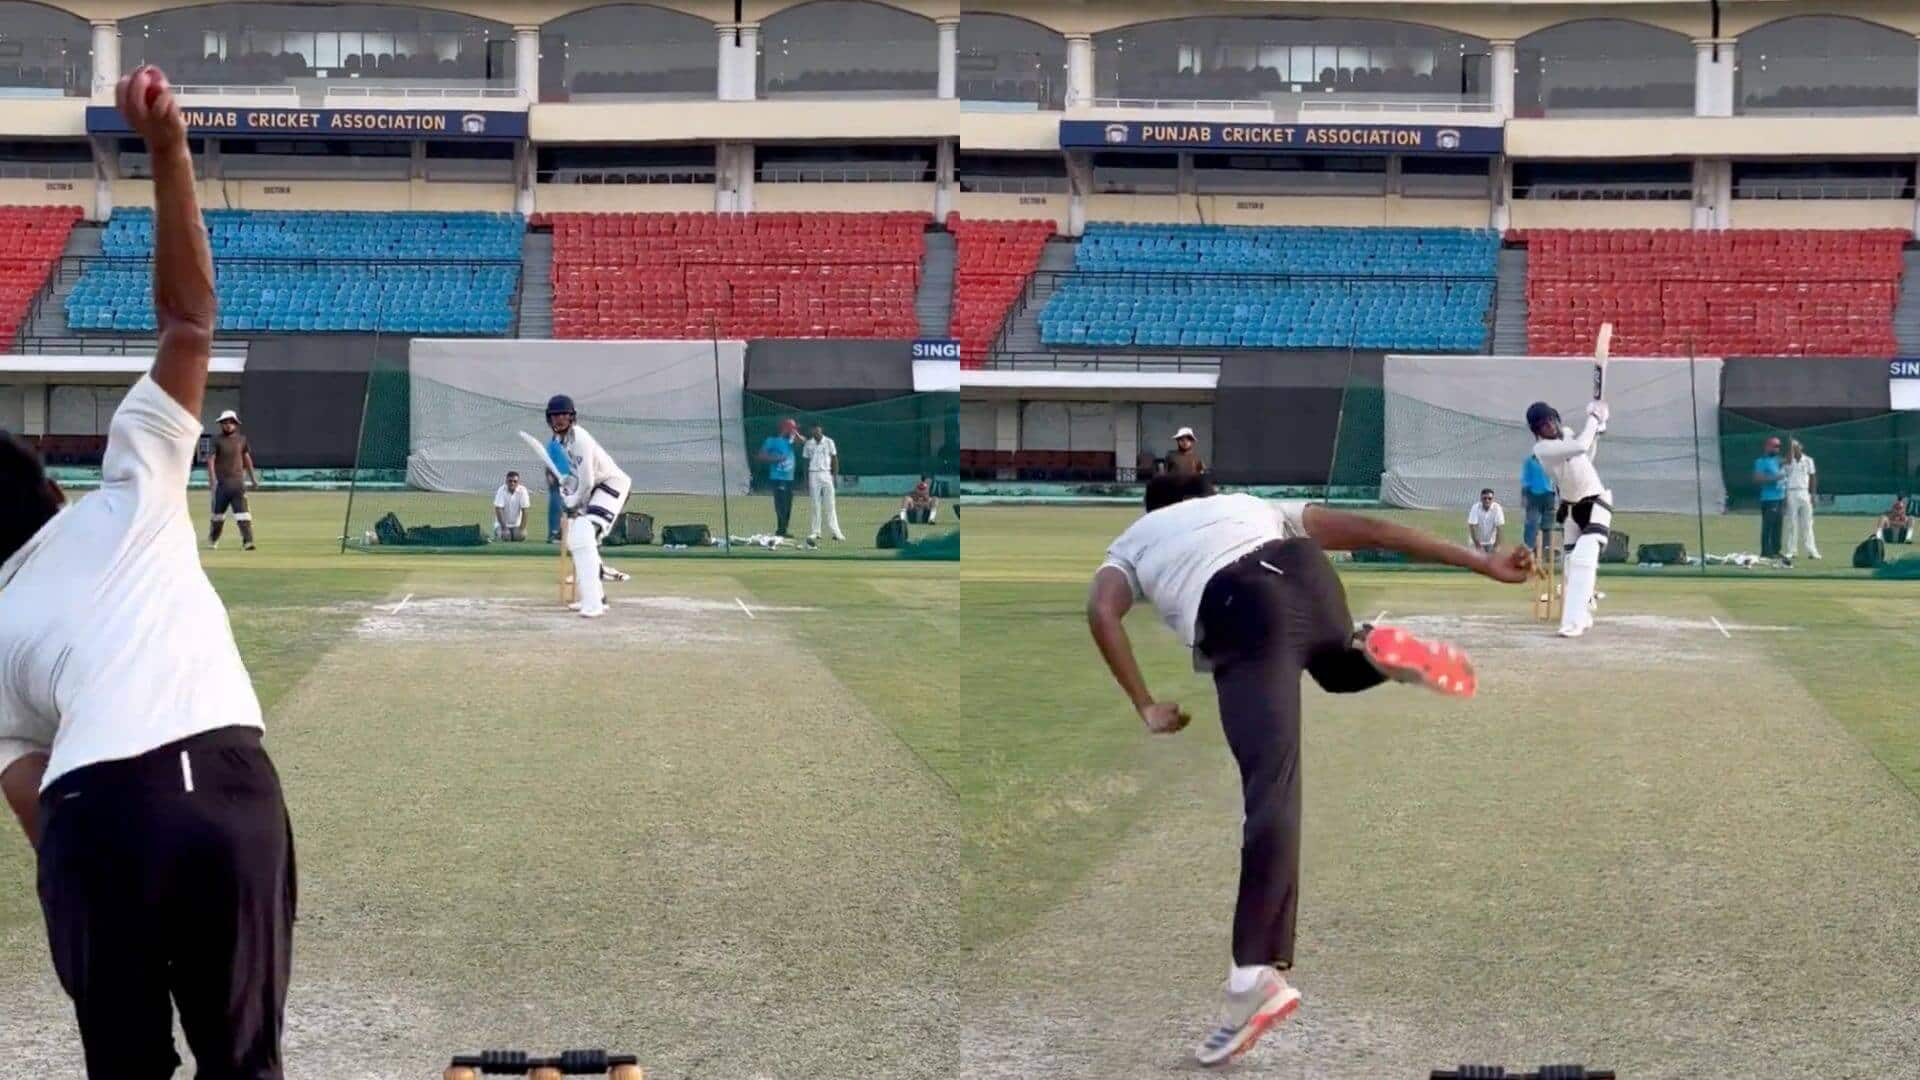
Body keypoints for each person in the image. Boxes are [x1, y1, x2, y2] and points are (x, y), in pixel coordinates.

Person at [0, 66, 296, 1078]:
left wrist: (101, 883)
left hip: (85, 824)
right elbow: (188, 322)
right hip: (211, 781)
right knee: (240, 1064)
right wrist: (166, 145)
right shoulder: (130, 487)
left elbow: (31, 795)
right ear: (44, 487)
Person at [1085, 473, 1529, 1068]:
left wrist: (1144, 704)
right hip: (1311, 579)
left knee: (1271, 791)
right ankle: (1370, 652)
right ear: (1208, 497)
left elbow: (1101, 611)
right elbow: (1373, 529)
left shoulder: (1132, 540)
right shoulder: (1248, 504)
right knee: (1332, 665)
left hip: (1241, 609)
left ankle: (1253, 978)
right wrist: (1487, 564)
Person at [1528, 397, 1612, 638]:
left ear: (1556, 418)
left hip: (1596, 499)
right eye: (1543, 425)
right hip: (1571, 507)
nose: (1550, 427)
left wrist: (1598, 431)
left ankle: (1572, 622)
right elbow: (1580, 448)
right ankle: (1584, 611)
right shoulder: (1542, 450)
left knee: (1585, 556)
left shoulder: (1567, 433)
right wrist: (1594, 419)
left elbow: (1585, 457)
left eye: (1551, 421)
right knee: (1571, 566)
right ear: (1537, 431)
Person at [546, 394, 632, 617]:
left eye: (563, 415)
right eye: (554, 415)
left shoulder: (579, 439)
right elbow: (573, 478)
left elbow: (587, 480)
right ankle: (596, 597)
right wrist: (568, 493)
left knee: (583, 534)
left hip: (611, 484)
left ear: (572, 416)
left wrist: (574, 499)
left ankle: (594, 604)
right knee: (577, 538)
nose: (559, 420)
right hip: (593, 489)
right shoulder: (558, 443)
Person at [204, 407, 259, 550]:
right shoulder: (216, 440)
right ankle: (213, 540)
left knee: (243, 515)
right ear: (221, 424)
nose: (227, 424)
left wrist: (253, 479)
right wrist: (212, 481)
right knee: (217, 517)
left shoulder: (242, 440)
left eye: (230, 422)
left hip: (238, 485)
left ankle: (248, 542)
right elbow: (211, 460)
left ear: (235, 423)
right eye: (224, 422)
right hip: (221, 485)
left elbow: (247, 459)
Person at [756, 417, 801, 538]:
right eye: (791, 429)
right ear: (785, 429)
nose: (793, 432)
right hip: (778, 477)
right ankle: (781, 529)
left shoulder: (791, 441)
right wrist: (776, 459)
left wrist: (794, 433)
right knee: (781, 503)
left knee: (788, 503)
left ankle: (784, 528)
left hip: (789, 478)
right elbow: (761, 456)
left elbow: (802, 441)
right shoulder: (772, 441)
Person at [803, 422, 845, 543]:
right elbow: (805, 462)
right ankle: (816, 532)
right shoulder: (808, 444)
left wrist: (835, 477)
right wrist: (806, 480)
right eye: (814, 431)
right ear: (811, 431)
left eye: (818, 430)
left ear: (821, 430)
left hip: (826, 473)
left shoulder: (829, 442)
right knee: (815, 504)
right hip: (813, 473)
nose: (816, 432)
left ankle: (836, 532)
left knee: (830, 504)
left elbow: (834, 459)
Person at [1780, 439, 1819, 564]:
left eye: (1796, 447)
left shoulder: (1808, 460)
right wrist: (1785, 496)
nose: (1794, 449)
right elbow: (1783, 477)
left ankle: (1812, 551)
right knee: (1792, 523)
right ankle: (1792, 550)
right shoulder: (1788, 462)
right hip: (1791, 492)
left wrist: (1813, 495)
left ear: (1801, 447)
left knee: (1807, 523)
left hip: (1804, 492)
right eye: (1792, 447)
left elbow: (1813, 477)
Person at [1754, 436, 1785, 558]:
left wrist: (1793, 446)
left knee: (1778, 525)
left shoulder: (1776, 461)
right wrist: (1774, 478)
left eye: (1779, 446)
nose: (1778, 448)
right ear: (1767, 446)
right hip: (1769, 499)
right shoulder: (1761, 461)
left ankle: (1776, 550)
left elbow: (1790, 460)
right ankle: (1766, 551)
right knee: (1768, 525)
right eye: (1775, 446)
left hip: (1780, 498)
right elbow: (1757, 478)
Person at [1520, 452, 1556, 552]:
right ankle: (1529, 547)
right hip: (1533, 495)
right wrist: (1524, 496)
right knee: (1532, 521)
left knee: (1547, 523)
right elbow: (1525, 479)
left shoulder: (1551, 460)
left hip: (1548, 494)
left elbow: (1557, 477)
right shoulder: (1529, 461)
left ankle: (1546, 547)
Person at [492, 469, 532, 542]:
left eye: (515, 481)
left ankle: (513, 535)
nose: (512, 483)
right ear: (506, 481)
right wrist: (504, 528)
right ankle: (500, 534)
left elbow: (525, 510)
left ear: (518, 482)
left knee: (521, 536)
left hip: (516, 525)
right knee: (506, 537)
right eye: (510, 481)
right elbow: (498, 509)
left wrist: (522, 529)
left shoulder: (523, 491)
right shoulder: (501, 490)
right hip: (501, 525)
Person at [1467, 487, 1505, 554]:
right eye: (1485, 498)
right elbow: (1472, 527)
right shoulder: (1475, 508)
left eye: (1489, 498)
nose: (1487, 500)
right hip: (1475, 542)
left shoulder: (1497, 508)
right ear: (1481, 499)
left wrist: (1496, 547)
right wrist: (1478, 546)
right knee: (1475, 562)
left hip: (1491, 543)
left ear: (1493, 499)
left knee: (1492, 561)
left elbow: (1500, 528)